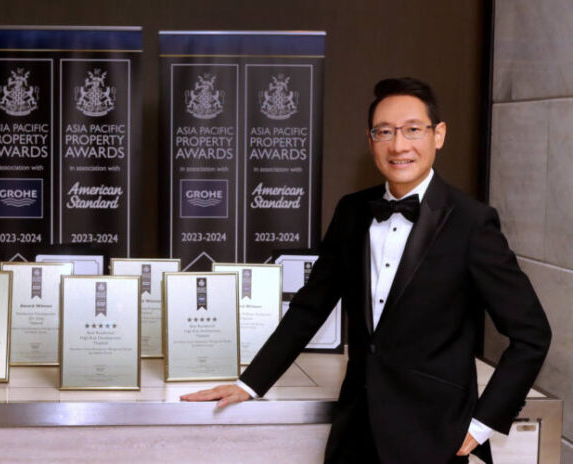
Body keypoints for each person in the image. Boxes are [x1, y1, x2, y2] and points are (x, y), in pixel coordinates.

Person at [181, 77, 551, 464]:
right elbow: (310, 308)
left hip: (434, 437)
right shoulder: (352, 211)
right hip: (355, 433)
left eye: (413, 129)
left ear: (438, 135)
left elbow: (532, 334)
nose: (399, 145)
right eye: (384, 132)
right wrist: (250, 383)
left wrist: (482, 424)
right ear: (371, 141)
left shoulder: (472, 222)